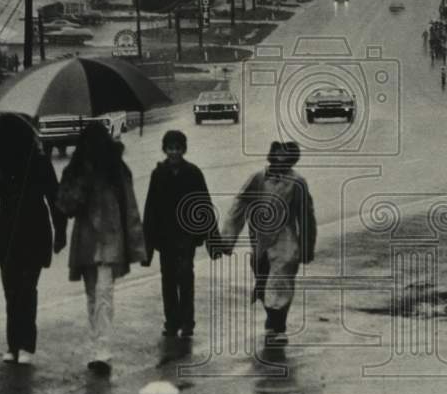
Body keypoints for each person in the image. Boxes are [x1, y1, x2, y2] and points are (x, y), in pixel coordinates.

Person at [56, 123, 147, 375]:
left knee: (103, 294)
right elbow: (64, 206)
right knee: (93, 296)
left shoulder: (116, 169)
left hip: (110, 239)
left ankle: (102, 350)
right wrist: (80, 186)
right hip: (87, 241)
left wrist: (137, 244)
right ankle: (97, 345)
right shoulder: (75, 171)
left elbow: (129, 206)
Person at [0, 115, 67, 365]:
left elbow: (54, 197)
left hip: (33, 230)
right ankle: (14, 344)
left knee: (25, 289)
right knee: (12, 290)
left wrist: (60, 231)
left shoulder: (38, 162)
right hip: (7, 233)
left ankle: (25, 344)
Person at [220, 141, 317, 345]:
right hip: (260, 238)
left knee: (280, 280)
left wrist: (306, 246)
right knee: (263, 279)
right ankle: (272, 321)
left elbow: (306, 215)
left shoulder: (297, 182)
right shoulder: (258, 178)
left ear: (292, 159)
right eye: (278, 153)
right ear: (272, 154)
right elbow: (239, 205)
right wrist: (227, 239)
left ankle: (279, 328)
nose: (281, 158)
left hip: (285, 236)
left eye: (286, 155)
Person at [142, 130, 218, 339]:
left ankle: (187, 322)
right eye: (170, 148)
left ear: (184, 149)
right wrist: (147, 243)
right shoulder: (158, 174)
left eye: (177, 148)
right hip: (165, 237)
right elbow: (151, 208)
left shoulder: (193, 173)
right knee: (168, 279)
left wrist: (213, 239)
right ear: (164, 149)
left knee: (185, 277)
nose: (174, 152)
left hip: (186, 236)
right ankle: (171, 322)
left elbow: (204, 204)